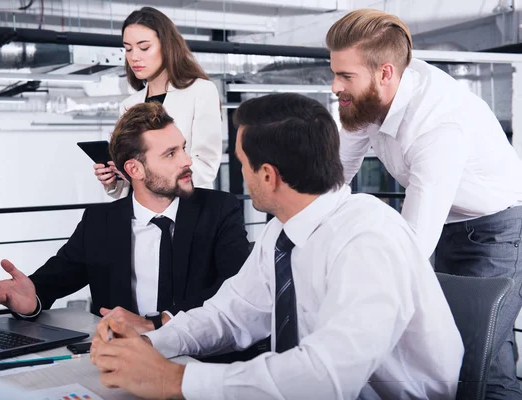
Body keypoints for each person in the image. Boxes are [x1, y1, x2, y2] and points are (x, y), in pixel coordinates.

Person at [89, 93, 464, 400]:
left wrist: (174, 380)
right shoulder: (282, 233)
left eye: (241, 164)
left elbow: (326, 377)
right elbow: (230, 315)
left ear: (267, 175)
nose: (239, 174)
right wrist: (146, 346)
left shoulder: (368, 239)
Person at [326, 9, 522, 398]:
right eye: (334, 73)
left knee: (474, 353)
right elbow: (337, 175)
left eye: (345, 76)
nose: (335, 86)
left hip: (495, 229)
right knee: (476, 349)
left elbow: (413, 244)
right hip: (449, 223)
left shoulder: (437, 125)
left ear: (385, 73)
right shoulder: (365, 98)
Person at [0, 102, 248, 334]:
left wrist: (154, 323)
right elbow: (51, 283)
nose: (187, 160)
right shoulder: (99, 223)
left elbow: (236, 290)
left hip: (203, 360)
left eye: (183, 148)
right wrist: (32, 299)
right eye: (171, 154)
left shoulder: (219, 210)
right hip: (124, 362)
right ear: (134, 169)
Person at [94, 6, 222, 199]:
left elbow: (206, 166)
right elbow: (128, 183)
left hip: (187, 205)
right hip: (142, 212)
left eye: (144, 47)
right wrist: (114, 179)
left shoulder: (200, 91)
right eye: (128, 49)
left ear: (167, 46)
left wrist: (149, 176)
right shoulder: (129, 104)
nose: (134, 56)